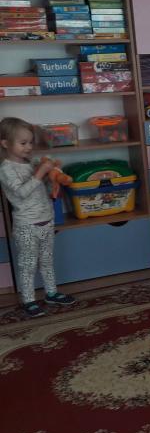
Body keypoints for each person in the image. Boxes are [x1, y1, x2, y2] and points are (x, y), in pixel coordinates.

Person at [0, 118, 75, 318]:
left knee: (47, 261)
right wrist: (40, 173)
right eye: (23, 143)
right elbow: (21, 193)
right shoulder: (6, 169)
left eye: (31, 142)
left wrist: (53, 179)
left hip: (46, 220)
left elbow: (42, 188)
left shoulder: (31, 164)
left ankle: (51, 293)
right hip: (26, 226)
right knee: (28, 264)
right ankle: (29, 300)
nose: (29, 147)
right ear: (5, 143)